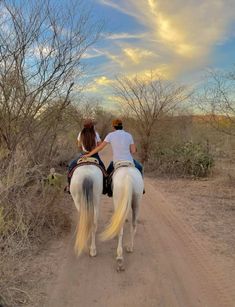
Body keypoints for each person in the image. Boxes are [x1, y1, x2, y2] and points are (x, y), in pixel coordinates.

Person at [84, 118, 143, 195]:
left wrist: (89, 154)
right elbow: (133, 151)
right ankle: (142, 187)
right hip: (129, 161)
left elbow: (100, 147)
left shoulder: (110, 135)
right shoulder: (129, 135)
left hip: (117, 162)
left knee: (107, 173)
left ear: (113, 127)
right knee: (140, 167)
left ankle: (108, 190)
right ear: (122, 126)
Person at [65, 119, 106, 193]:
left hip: (83, 155)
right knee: (103, 169)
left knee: (70, 167)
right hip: (94, 155)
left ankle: (68, 185)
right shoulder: (95, 134)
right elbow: (100, 145)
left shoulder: (81, 133)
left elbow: (78, 145)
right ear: (92, 126)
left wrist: (83, 150)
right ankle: (105, 187)